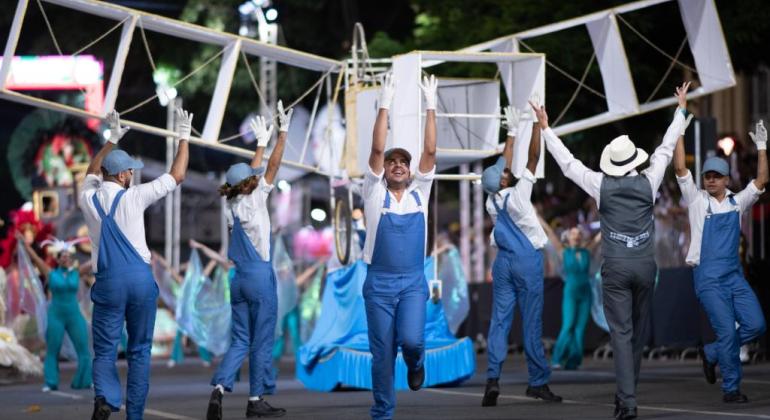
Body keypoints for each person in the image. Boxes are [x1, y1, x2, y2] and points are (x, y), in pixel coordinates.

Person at [535, 82, 691, 420]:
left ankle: (628, 401)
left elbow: (568, 164)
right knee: (636, 332)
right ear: (634, 159)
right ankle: (628, 392)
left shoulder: (601, 186)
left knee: (621, 333)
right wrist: (680, 111)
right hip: (646, 266)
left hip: (617, 267)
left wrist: (546, 129)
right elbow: (666, 147)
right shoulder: (649, 181)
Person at [79, 107, 192, 420]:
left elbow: (91, 172)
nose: (133, 175)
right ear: (124, 175)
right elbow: (178, 175)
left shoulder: (87, 198)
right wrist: (184, 138)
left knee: (104, 350)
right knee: (140, 352)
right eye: (130, 171)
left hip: (109, 283)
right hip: (140, 281)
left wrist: (110, 141)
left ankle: (106, 397)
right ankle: (135, 417)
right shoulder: (136, 196)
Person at [206, 101, 292, 420]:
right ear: (248, 184)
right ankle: (255, 400)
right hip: (259, 278)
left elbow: (254, 171)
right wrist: (280, 134)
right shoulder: (256, 198)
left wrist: (259, 143)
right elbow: (271, 168)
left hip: (238, 280)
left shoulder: (230, 206)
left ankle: (219, 390)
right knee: (261, 340)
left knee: (240, 339)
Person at [674, 119, 767, 403]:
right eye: (707, 176)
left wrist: (762, 147)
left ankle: (712, 352)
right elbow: (679, 168)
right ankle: (731, 388)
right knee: (727, 331)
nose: (710, 180)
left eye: (716, 176)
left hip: (734, 275)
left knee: (756, 324)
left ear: (727, 179)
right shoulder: (696, 200)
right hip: (708, 278)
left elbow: (762, 181)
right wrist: (678, 129)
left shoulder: (738, 202)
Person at [361, 72, 437, 420]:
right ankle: (382, 413)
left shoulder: (421, 193)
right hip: (378, 284)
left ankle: (416, 362)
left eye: (403, 163)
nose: (398, 166)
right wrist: (384, 104)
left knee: (411, 341)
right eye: (393, 162)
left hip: (411, 282)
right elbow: (377, 148)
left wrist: (431, 106)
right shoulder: (374, 193)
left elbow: (430, 150)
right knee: (381, 353)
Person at [480, 102, 561, 407]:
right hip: (526, 261)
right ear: (503, 180)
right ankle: (538, 383)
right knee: (532, 323)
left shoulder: (491, 202)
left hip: (503, 263)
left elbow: (504, 163)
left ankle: (492, 381)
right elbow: (534, 157)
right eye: (503, 173)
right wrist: (539, 126)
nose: (506, 170)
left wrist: (511, 134)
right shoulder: (519, 193)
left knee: (499, 323)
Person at [17, 233, 93, 391]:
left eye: (67, 256)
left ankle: (84, 380)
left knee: (83, 348)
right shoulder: (51, 273)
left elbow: (94, 261)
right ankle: (51, 382)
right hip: (56, 316)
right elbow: (36, 260)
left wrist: (106, 243)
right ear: (58, 259)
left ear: (70, 258)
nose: (66, 258)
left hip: (73, 314)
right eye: (62, 256)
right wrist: (25, 244)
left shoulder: (76, 272)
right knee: (53, 349)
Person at [539, 221, 600, 370]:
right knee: (568, 326)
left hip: (586, 293)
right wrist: (538, 216)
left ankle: (574, 361)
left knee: (580, 329)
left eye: (579, 234)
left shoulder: (587, 251)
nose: (576, 236)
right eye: (573, 234)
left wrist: (614, 214)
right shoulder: (563, 252)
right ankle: (557, 359)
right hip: (571, 293)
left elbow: (600, 236)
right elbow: (551, 234)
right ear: (568, 237)